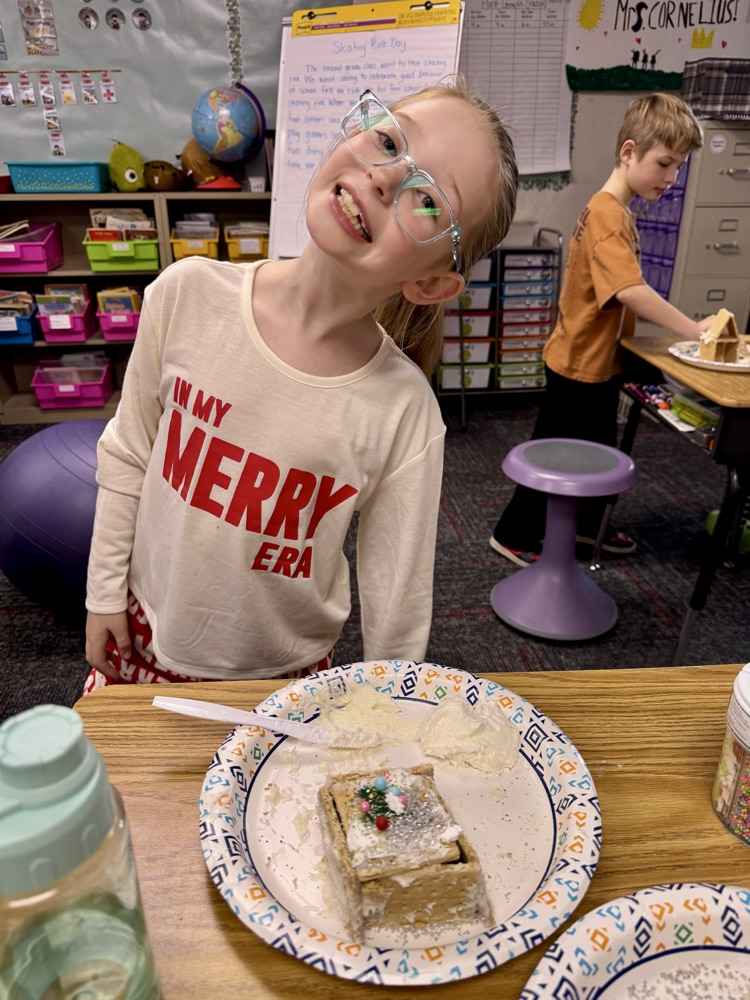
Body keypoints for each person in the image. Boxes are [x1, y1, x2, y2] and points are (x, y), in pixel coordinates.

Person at [84, 77, 519, 691]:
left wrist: (393, 708)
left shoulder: (403, 412)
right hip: (142, 638)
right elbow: (129, 451)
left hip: (284, 682)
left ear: (430, 283)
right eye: (388, 141)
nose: (385, 178)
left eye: (427, 200)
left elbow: (396, 595)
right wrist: (103, 593)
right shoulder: (187, 295)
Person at [490, 92, 716, 568]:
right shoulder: (609, 216)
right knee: (555, 454)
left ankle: (588, 524)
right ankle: (513, 533)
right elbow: (630, 290)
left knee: (596, 451)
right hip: (578, 366)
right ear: (629, 152)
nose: (671, 178)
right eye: (664, 164)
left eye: (678, 168)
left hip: (596, 362)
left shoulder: (613, 210)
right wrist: (692, 329)